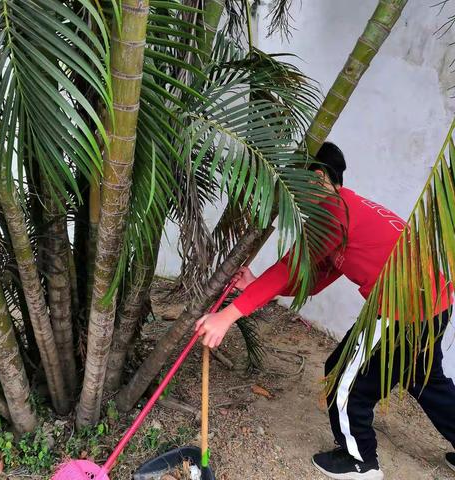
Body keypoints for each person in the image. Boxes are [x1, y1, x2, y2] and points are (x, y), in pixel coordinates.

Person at [195, 142, 455, 480]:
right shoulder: (347, 209)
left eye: (293, 187)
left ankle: (359, 460)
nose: (291, 199)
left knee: (344, 379)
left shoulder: (333, 211)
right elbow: (311, 277)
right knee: (424, 379)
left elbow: (289, 267)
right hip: (433, 304)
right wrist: (255, 284)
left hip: (403, 310)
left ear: (318, 179)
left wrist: (227, 316)